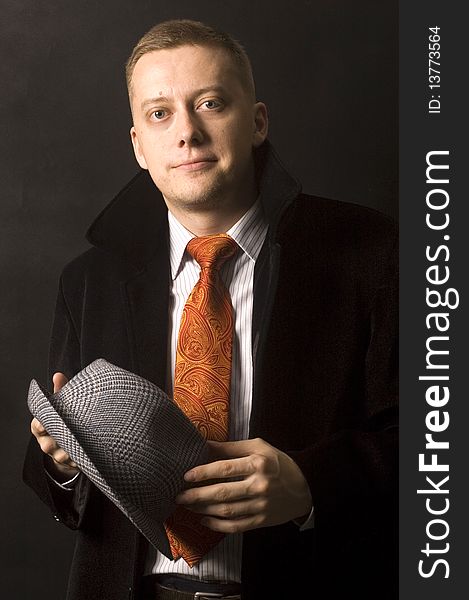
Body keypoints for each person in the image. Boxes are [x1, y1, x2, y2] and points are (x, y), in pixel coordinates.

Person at [23, 19, 398, 600]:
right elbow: (58, 486)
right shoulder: (88, 281)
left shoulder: (371, 253)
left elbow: (438, 434)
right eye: (159, 114)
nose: (187, 134)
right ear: (138, 148)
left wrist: (311, 483)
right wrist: (65, 465)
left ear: (258, 122)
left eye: (210, 103)